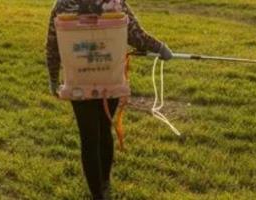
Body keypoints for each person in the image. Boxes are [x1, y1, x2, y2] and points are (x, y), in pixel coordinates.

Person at [45, 0, 173, 199]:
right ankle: (103, 184)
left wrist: (53, 79)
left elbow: (53, 46)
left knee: (89, 138)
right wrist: (161, 48)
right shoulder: (114, 3)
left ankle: (98, 193)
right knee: (104, 129)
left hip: (79, 84)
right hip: (110, 82)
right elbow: (137, 36)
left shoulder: (62, 5)